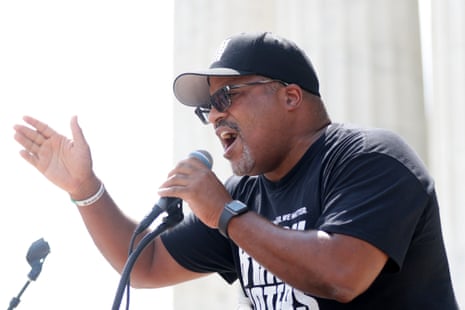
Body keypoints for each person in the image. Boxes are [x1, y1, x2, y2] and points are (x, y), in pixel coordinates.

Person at [13, 32, 458, 309]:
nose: (212, 117)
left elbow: (340, 276)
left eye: (226, 97)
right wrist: (86, 189)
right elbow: (145, 265)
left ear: (290, 97)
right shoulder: (243, 195)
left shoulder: (369, 158)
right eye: (206, 108)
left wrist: (226, 215)